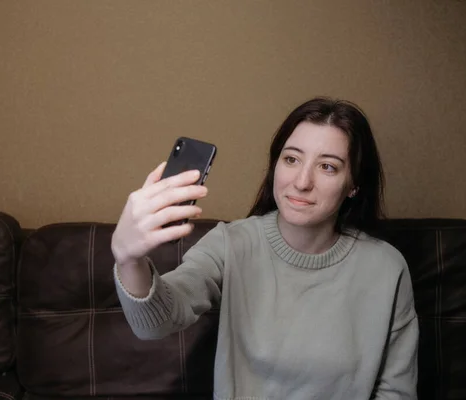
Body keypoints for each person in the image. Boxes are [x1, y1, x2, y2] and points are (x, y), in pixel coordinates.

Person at [110, 97, 419, 399]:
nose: (301, 182)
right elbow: (158, 320)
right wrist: (129, 259)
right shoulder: (231, 243)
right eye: (292, 159)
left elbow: (396, 391)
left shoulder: (386, 269)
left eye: (327, 166)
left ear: (353, 185)